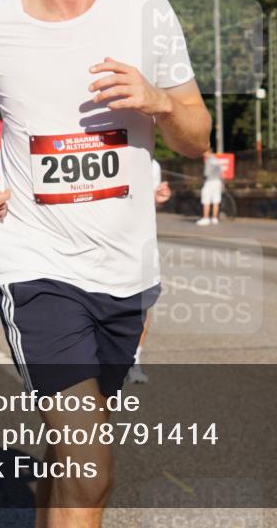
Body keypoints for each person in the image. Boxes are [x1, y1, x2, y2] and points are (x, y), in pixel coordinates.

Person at [0, 0, 211, 524]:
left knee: (69, 455)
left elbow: (196, 136)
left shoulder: (145, 10)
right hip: (33, 261)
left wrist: (156, 100)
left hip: (127, 273)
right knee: (91, 466)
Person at [126, 159, 174, 384]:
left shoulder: (150, 162)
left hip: (138, 245)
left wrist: (157, 198)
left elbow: (147, 202)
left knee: (142, 305)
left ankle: (134, 360)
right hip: (95, 246)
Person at [197, 150, 224, 226]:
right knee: (216, 201)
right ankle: (214, 218)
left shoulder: (209, 160)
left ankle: (206, 218)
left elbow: (206, 173)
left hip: (210, 182)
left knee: (206, 200)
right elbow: (221, 173)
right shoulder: (216, 159)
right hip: (217, 181)